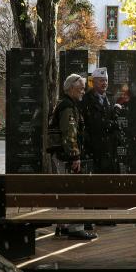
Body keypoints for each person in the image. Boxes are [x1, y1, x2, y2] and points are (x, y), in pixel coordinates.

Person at [48, 74, 96, 240]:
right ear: (70, 88)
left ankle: (63, 225)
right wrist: (75, 156)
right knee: (76, 190)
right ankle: (76, 227)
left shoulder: (64, 104)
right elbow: (69, 134)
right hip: (66, 157)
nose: (83, 90)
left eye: (84, 87)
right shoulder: (68, 106)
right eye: (80, 87)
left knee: (64, 191)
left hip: (60, 155)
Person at [80, 67, 125, 174]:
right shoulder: (86, 99)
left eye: (106, 80)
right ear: (93, 82)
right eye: (101, 80)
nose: (104, 83)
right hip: (95, 148)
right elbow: (92, 123)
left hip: (110, 149)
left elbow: (113, 121)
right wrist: (109, 123)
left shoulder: (110, 98)